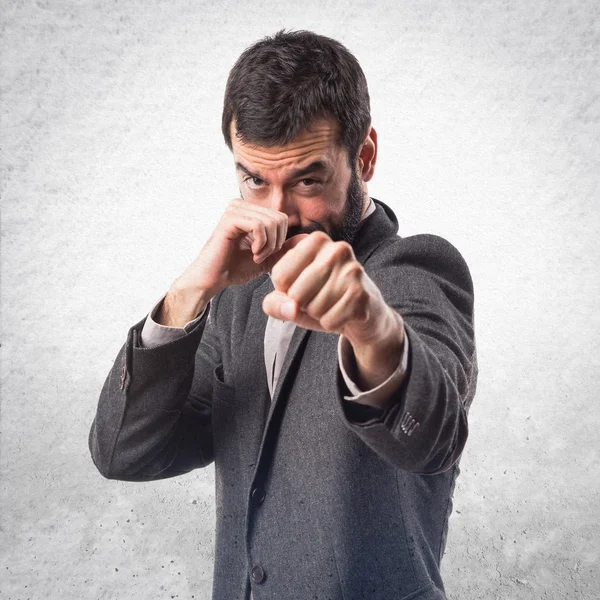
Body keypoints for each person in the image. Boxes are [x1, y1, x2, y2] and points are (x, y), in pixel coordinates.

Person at [89, 29, 478, 600]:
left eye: (307, 180)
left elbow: (436, 437)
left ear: (364, 156)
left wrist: (372, 327)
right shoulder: (237, 299)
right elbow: (124, 453)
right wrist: (190, 291)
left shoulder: (416, 270)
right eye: (254, 179)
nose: (277, 215)